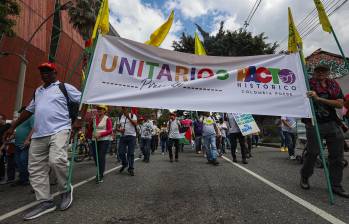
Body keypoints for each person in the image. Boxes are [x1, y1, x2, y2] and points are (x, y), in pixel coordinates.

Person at [4, 62, 82, 220]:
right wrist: (12, 127)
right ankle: (45, 201)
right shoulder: (38, 91)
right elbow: (28, 111)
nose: (44, 74)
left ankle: (65, 190)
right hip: (39, 134)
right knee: (35, 169)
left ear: (55, 73)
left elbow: (84, 99)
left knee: (56, 160)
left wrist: (79, 119)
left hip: (60, 129)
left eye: (48, 71)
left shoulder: (64, 87)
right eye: (42, 71)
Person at [300, 64, 349, 198]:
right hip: (313, 123)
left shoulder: (333, 84)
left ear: (328, 73)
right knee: (312, 153)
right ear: (314, 72)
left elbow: (340, 103)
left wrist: (319, 99)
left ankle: (336, 186)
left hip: (332, 122)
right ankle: (304, 176)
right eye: (318, 70)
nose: (321, 73)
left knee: (337, 156)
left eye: (324, 71)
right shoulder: (307, 83)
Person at [90, 105, 112, 183]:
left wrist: (100, 134)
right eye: (98, 108)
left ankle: (100, 174)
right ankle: (100, 168)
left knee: (101, 157)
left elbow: (110, 130)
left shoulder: (107, 119)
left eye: (101, 109)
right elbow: (91, 128)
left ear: (104, 110)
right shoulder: (94, 118)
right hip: (94, 139)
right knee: (95, 157)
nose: (99, 110)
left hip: (104, 140)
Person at [13, 107, 34, 186]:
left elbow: (33, 129)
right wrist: (12, 136)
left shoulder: (31, 117)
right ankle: (22, 178)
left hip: (25, 144)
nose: (21, 114)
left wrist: (28, 140)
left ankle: (26, 179)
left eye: (22, 112)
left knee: (23, 161)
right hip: (17, 143)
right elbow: (18, 130)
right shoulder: (20, 120)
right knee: (18, 162)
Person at [116, 107, 137, 176]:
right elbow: (117, 127)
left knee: (130, 153)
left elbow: (135, 124)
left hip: (132, 136)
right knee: (120, 152)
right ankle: (125, 163)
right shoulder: (120, 117)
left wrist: (128, 117)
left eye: (125, 108)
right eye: (123, 108)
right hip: (123, 137)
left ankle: (131, 168)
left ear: (128, 109)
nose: (124, 110)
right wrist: (120, 130)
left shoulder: (133, 115)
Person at [0, 113, 11, 182]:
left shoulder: (7, 126)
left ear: (3, 119)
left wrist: (1, 147)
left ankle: (2, 177)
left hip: (2, 146)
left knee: (1, 161)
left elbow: (7, 137)